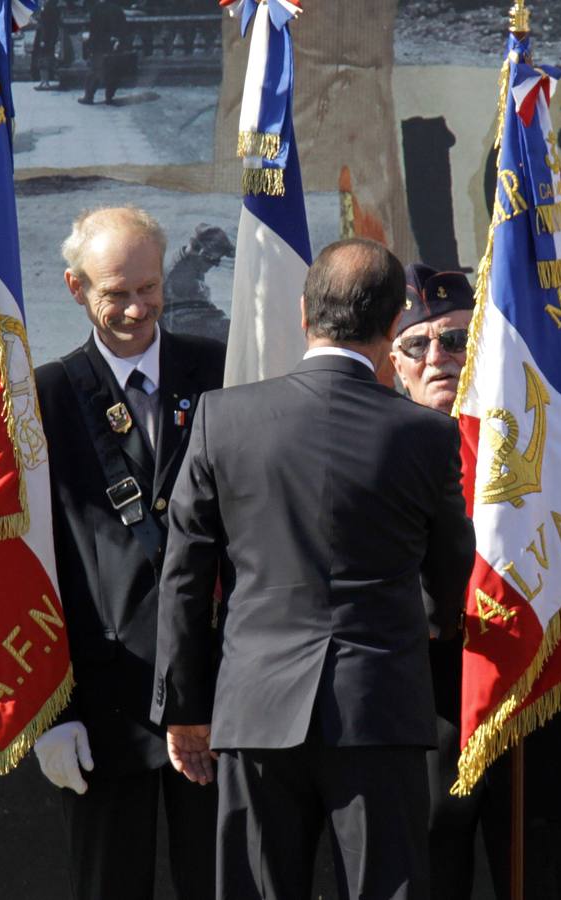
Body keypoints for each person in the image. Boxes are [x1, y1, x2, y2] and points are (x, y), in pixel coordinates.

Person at [151, 238, 476, 900]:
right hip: (379, 707)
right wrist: (435, 623)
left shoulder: (223, 418)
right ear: (394, 324)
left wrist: (182, 707)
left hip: (256, 708)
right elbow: (450, 569)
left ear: (304, 314)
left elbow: (184, 577)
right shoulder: (427, 435)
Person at [391, 263, 561, 900]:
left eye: (456, 339)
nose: (438, 358)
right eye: (417, 344)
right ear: (394, 361)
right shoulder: (375, 454)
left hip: (538, 719)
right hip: (427, 726)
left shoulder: (545, 445)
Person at [31, 206, 224, 900]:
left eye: (150, 288)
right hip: (103, 701)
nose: (138, 309)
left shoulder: (222, 372)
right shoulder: (44, 397)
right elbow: (35, 564)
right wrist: (53, 714)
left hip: (217, 692)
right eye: (117, 293)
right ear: (76, 288)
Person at [79, 0, 128, 105]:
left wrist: (90, 45)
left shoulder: (96, 9)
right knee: (113, 72)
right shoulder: (117, 9)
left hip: (98, 44)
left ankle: (89, 96)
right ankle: (109, 97)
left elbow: (92, 28)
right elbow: (123, 28)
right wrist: (119, 40)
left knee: (95, 71)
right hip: (113, 44)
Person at [32, 1, 61, 90]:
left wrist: (43, 39)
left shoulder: (47, 8)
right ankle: (45, 81)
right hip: (49, 37)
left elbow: (45, 25)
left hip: (45, 38)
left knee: (43, 60)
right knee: (45, 59)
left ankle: (44, 81)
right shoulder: (52, 6)